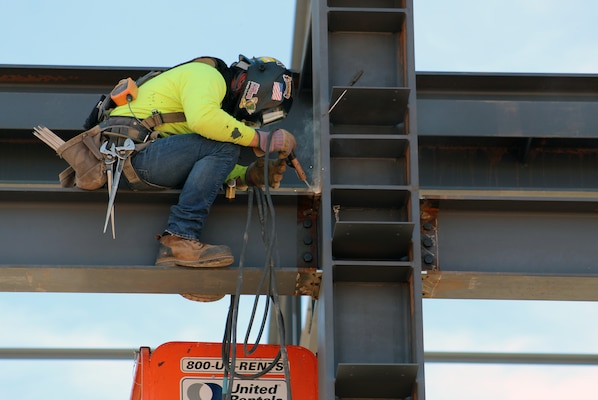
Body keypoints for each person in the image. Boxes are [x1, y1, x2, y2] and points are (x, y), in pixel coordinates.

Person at [98, 55, 297, 300]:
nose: (249, 122)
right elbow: (204, 120)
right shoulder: (207, 75)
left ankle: (182, 265)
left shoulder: (211, 102)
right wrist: (261, 140)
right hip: (131, 157)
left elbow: (206, 161)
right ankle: (179, 238)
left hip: (145, 158)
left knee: (223, 147)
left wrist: (247, 175)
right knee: (227, 146)